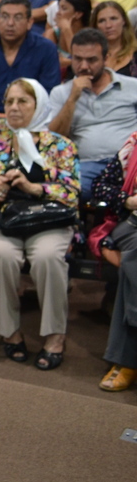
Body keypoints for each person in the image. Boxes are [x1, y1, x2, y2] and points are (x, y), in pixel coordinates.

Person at [0, 78, 79, 371]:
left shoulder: (60, 144)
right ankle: (10, 332)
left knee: (48, 257)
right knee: (0, 254)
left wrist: (33, 187)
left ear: (39, 106)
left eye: (23, 101)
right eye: (9, 101)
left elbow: (72, 192)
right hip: (3, 217)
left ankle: (55, 336)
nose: (14, 107)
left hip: (47, 219)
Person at [46, 28, 137, 198]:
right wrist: (72, 99)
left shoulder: (132, 87)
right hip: (87, 165)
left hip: (128, 164)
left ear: (106, 58)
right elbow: (54, 139)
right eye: (77, 59)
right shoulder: (61, 93)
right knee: (66, 190)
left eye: (91, 60)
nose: (83, 66)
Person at [91, 129, 137, 391]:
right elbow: (100, 186)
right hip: (132, 225)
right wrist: (127, 201)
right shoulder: (134, 145)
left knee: (132, 264)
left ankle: (126, 360)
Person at [92, 0, 137, 77]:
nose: (108, 25)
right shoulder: (88, 56)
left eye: (113, 19)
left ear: (124, 21)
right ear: (96, 26)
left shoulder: (135, 53)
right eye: (102, 21)